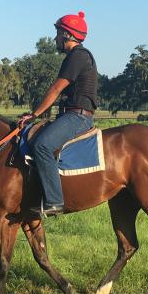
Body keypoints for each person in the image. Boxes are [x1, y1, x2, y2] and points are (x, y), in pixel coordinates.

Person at [19, 11, 98, 216]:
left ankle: (54, 201)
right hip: (70, 114)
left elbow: (56, 89)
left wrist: (34, 114)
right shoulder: (74, 57)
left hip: (78, 117)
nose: (55, 38)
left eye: (57, 33)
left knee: (42, 145)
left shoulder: (78, 56)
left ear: (67, 35)